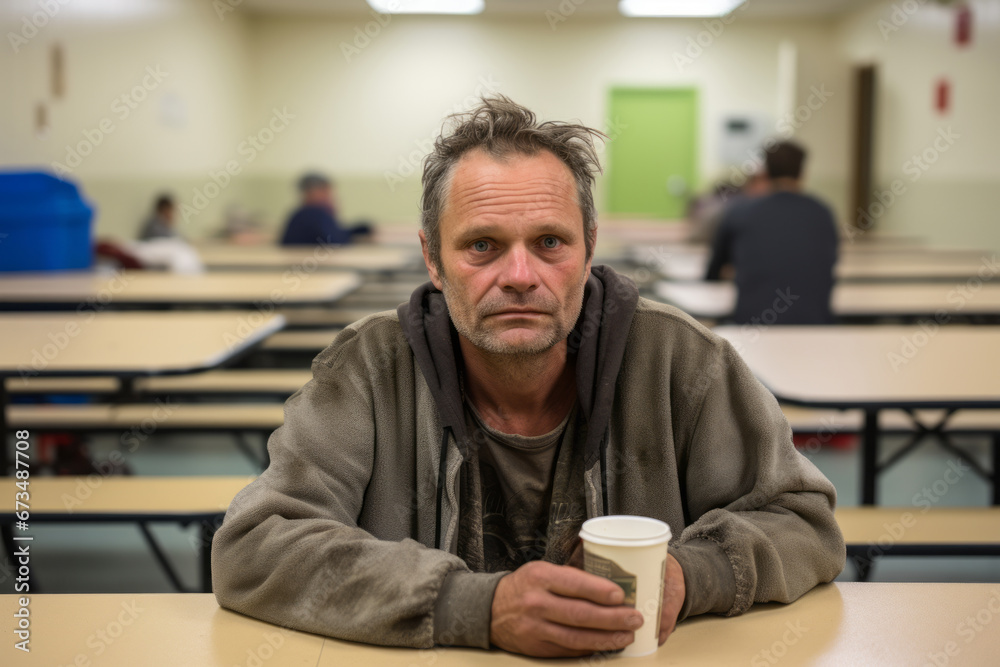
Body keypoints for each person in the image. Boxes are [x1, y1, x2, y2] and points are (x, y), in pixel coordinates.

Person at [212, 97, 845, 658]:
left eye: (549, 242)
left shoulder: (681, 361)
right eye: (482, 245)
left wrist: (690, 573)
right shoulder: (368, 369)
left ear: (589, 248)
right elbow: (255, 545)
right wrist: (474, 607)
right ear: (433, 257)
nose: (519, 274)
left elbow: (803, 520)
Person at [705, 141, 839, 325]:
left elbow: (712, 273)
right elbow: (827, 265)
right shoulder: (823, 213)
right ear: (802, 173)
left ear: (766, 172)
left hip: (751, 327)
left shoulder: (739, 212)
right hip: (815, 327)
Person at [279, 172, 372, 246]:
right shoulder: (314, 215)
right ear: (311, 192)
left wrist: (359, 230)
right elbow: (335, 240)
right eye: (326, 191)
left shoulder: (300, 214)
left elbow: (336, 234)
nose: (330, 196)